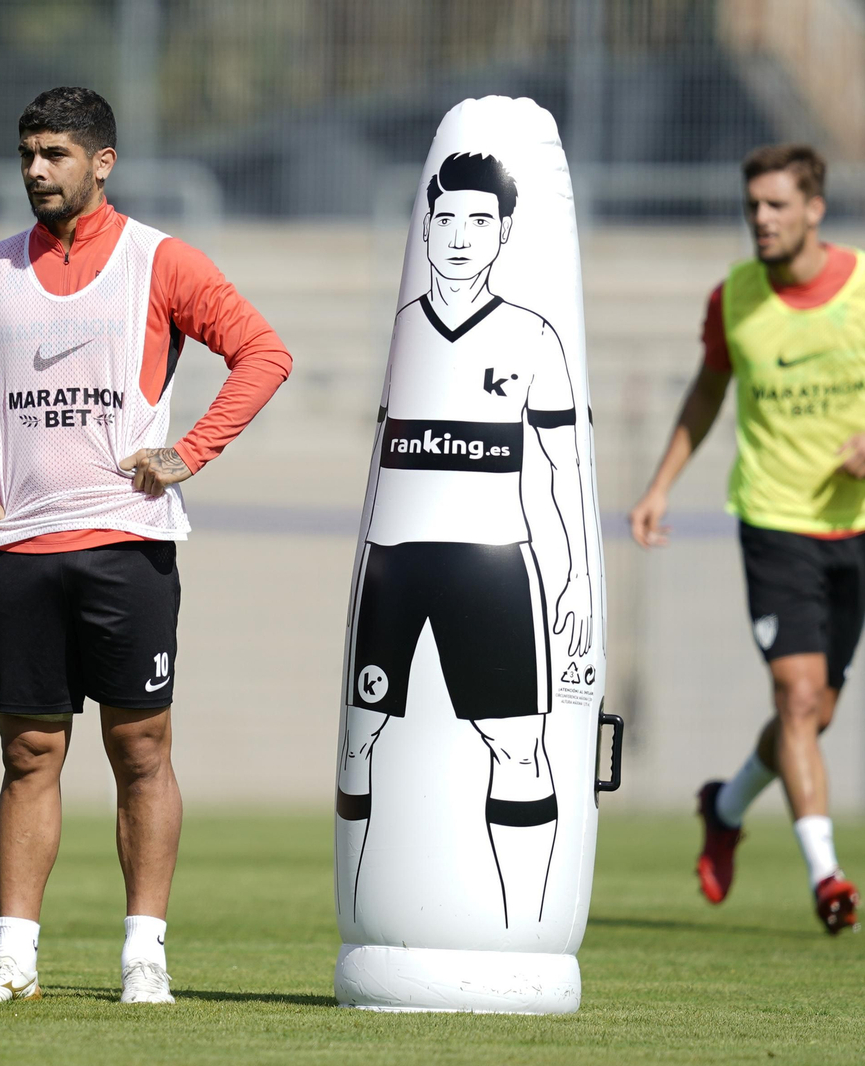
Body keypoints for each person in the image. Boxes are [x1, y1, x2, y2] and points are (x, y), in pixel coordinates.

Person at [0, 86, 292, 1004]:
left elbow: (263, 353)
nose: (37, 170)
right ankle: (14, 957)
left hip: (129, 546)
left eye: (56, 155)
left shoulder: (160, 261)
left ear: (101, 162)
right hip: (27, 551)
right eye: (28, 153)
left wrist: (189, 451)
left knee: (142, 752)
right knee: (29, 755)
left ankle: (143, 957)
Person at [338, 151, 592, 929]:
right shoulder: (404, 333)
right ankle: (361, 914)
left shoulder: (533, 337)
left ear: (504, 231)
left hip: (491, 569)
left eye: (478, 220)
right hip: (394, 567)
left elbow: (562, 468)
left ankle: (522, 931)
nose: (457, 235)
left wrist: (574, 577)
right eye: (444, 218)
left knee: (518, 747)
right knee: (361, 742)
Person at [629, 143, 862, 935]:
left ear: (814, 208)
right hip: (773, 522)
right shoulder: (734, 298)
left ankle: (724, 807)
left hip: (855, 528)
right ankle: (827, 876)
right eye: (752, 205)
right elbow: (708, 387)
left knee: (815, 715)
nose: (760, 218)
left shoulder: (862, 289)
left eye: (775, 204)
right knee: (796, 698)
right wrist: (661, 485)